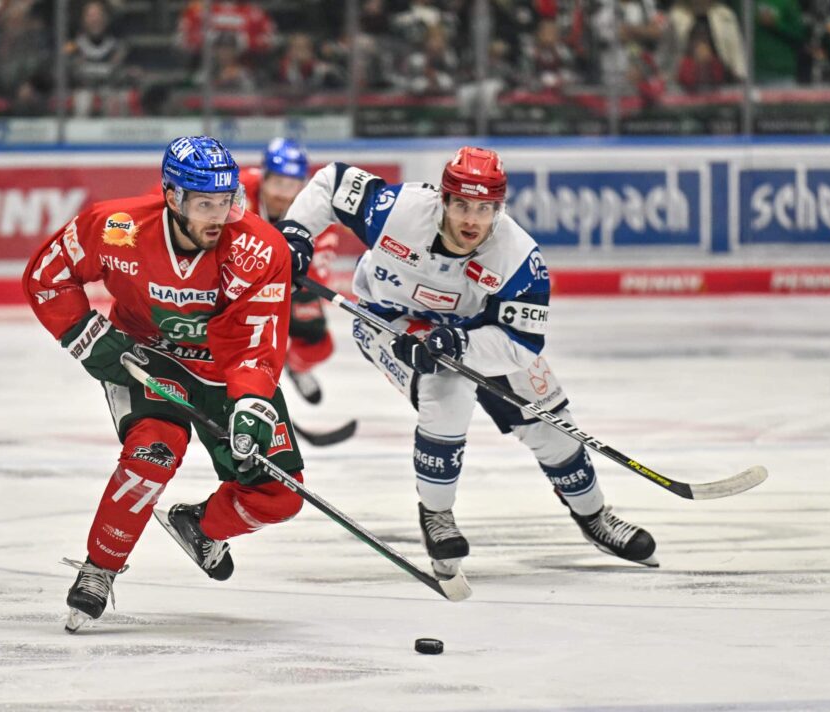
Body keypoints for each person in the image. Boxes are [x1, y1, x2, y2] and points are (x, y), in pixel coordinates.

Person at [276, 147, 657, 580]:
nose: (471, 220)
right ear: (443, 199)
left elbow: (521, 343)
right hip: (389, 319)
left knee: (550, 425)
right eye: (461, 205)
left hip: (478, 331)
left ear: (500, 208)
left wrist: (460, 342)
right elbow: (331, 182)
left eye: (484, 208)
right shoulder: (398, 211)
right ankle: (437, 516)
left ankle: (595, 517)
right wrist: (295, 235)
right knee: (448, 391)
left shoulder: (518, 258)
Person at [23, 136, 306, 632]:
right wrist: (84, 335)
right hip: (145, 358)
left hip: (224, 368)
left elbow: (256, 343)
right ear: (172, 197)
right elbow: (48, 275)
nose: (218, 216)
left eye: (226, 201)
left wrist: (250, 402)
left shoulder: (261, 248)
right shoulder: (116, 227)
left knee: (279, 495)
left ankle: (200, 526)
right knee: (153, 452)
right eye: (204, 204)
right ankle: (101, 567)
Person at [240, 138, 338, 405]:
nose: (283, 193)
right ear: (264, 176)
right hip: (236, 280)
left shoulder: (316, 211)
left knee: (319, 345)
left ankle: (293, 367)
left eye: (292, 184)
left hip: (289, 286)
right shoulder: (237, 190)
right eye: (277, 183)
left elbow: (315, 275)